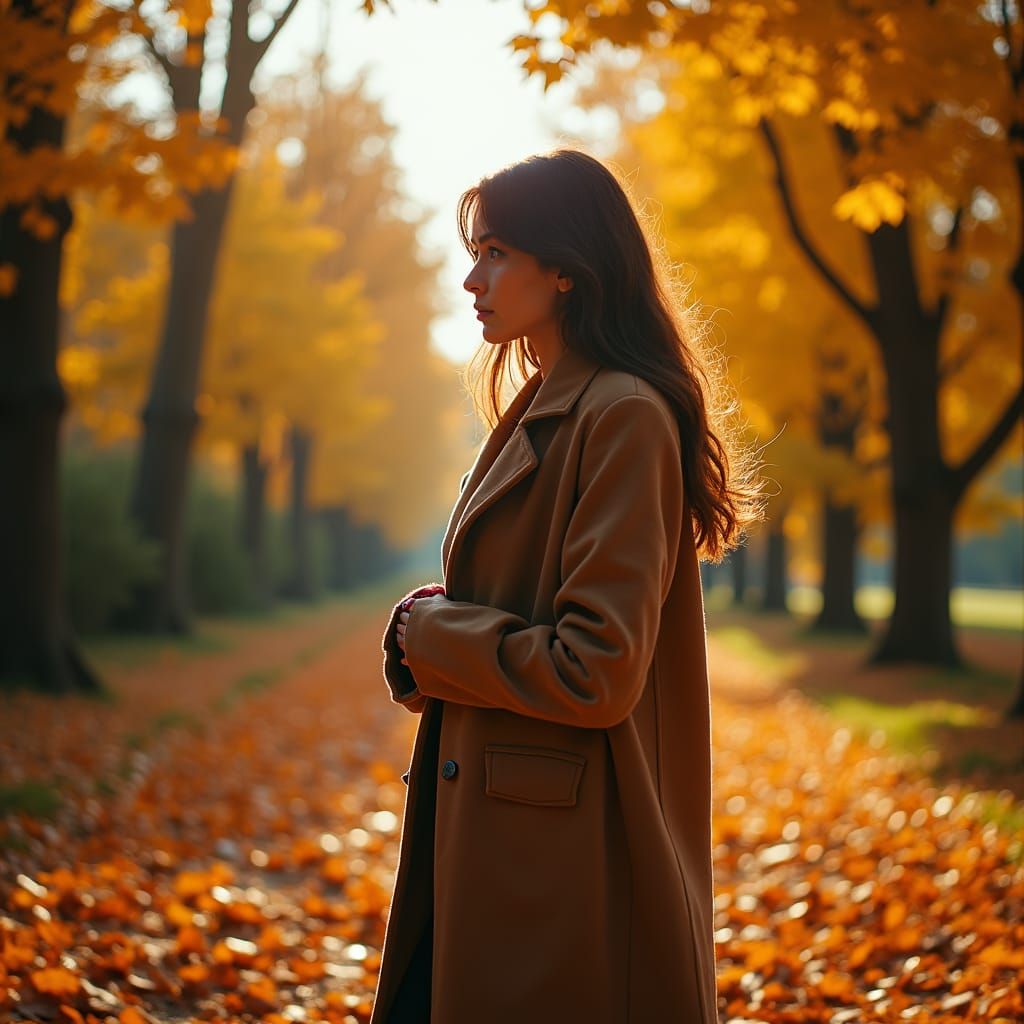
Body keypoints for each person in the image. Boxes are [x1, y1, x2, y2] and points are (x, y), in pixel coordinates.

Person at [372, 147, 763, 1024]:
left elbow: (597, 668)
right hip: (503, 840)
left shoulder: (619, 414)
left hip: (560, 862)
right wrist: (433, 641)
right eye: (477, 253)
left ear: (566, 271)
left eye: (497, 252)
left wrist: (434, 640)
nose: (473, 278)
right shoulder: (549, 401)